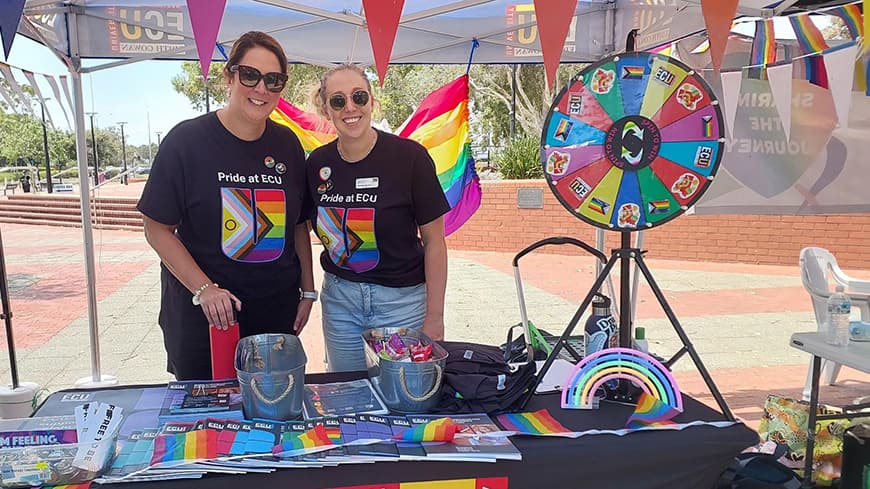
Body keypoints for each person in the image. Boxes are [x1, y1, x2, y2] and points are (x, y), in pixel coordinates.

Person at [137, 31, 316, 380]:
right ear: (230, 76)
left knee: (273, 416)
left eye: (274, 80)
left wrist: (308, 290)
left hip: (274, 316)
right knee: (206, 424)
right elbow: (157, 228)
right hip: (207, 321)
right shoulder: (186, 142)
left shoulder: (288, 144)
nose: (261, 88)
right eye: (250, 75)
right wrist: (205, 289)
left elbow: (298, 224)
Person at [307, 63, 450, 372]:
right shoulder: (316, 165)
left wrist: (435, 316)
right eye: (338, 100)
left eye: (359, 97)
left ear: (371, 100)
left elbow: (435, 242)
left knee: (405, 401)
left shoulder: (410, 158)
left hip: (402, 304)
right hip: (341, 303)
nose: (350, 108)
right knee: (348, 394)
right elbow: (300, 229)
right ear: (326, 108)